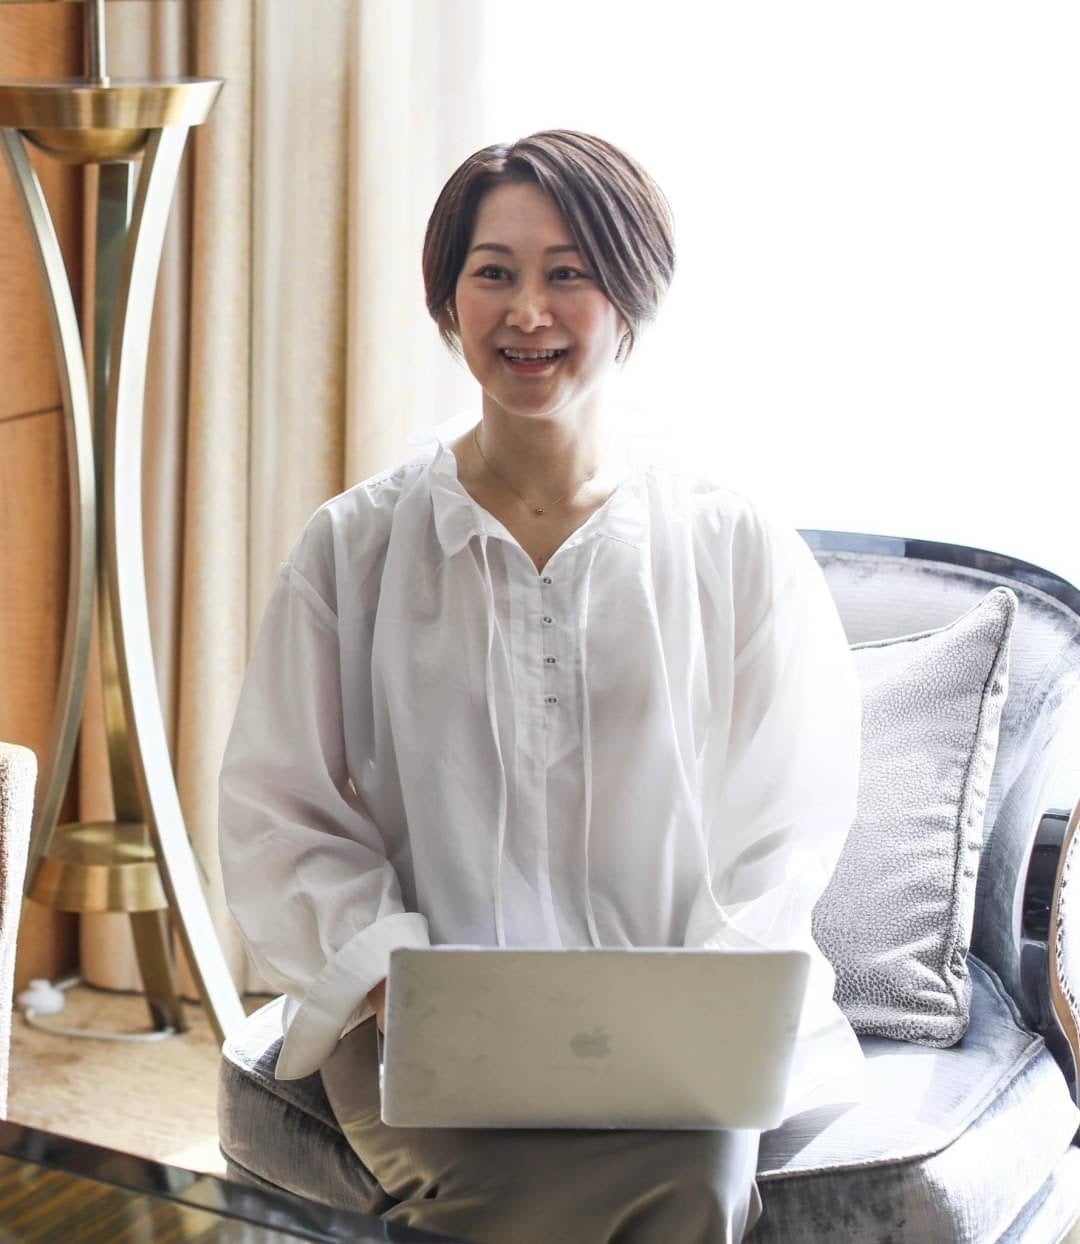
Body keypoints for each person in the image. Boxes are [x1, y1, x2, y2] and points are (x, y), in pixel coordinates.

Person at [218, 128, 864, 1243]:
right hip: (421, 1025)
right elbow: (281, 812)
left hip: (675, 1031)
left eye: (568, 273)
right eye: (493, 272)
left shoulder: (732, 543)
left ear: (631, 294)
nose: (528, 312)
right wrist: (396, 982)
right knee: (493, 1188)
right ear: (447, 297)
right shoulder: (354, 547)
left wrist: (705, 1003)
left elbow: (788, 817)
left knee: (694, 1176)